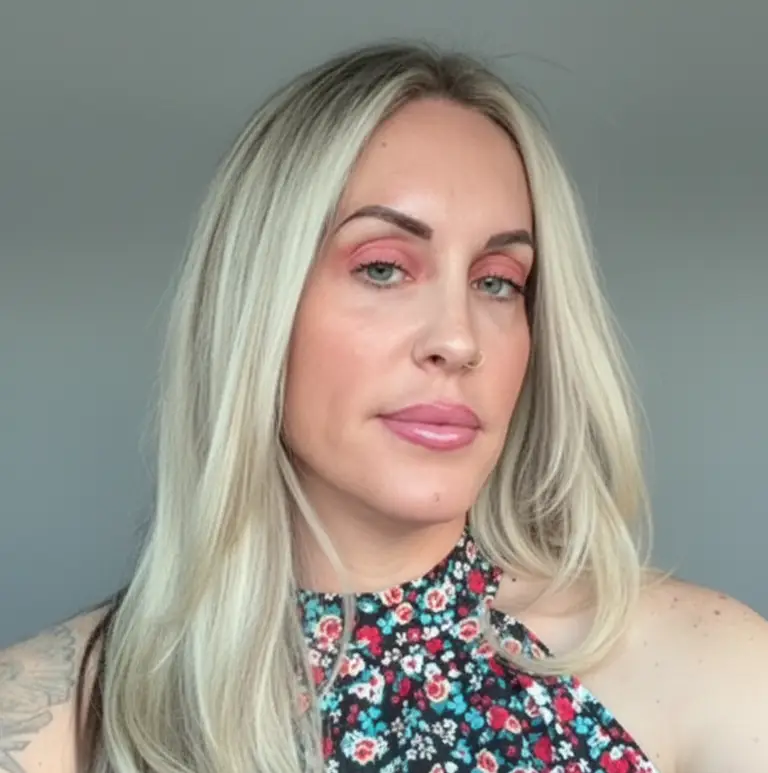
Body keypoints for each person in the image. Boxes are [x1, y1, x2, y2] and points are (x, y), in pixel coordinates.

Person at [1, 41, 766, 773]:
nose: (459, 339)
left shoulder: (705, 676)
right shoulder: (49, 718)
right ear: (256, 309)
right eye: (382, 268)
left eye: (498, 280)